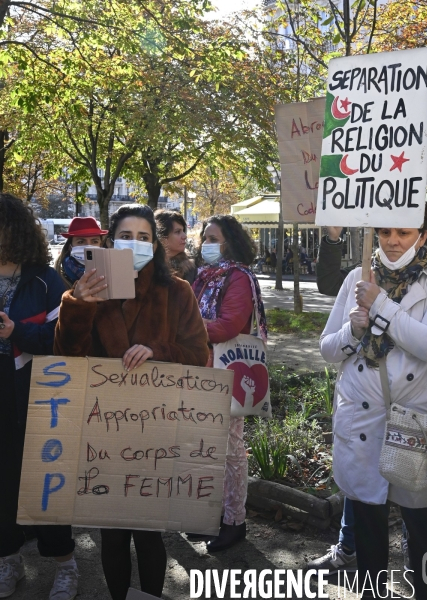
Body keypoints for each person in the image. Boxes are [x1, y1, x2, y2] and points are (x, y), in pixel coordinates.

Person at [54, 204, 209, 600]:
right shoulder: (89, 290)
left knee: (150, 532)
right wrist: (78, 305)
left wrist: (157, 350)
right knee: (112, 533)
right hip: (103, 430)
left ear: (153, 246)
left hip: (155, 428)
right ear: (110, 241)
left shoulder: (177, 291)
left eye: (144, 237)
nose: (134, 244)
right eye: (126, 236)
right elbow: (67, 359)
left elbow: (198, 353)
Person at [309, 203, 427, 574]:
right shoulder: (358, 275)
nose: (391, 241)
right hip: (363, 425)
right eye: (385, 232)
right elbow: (327, 349)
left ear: (423, 235)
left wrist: (380, 304)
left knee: (423, 532)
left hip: (416, 422)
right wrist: (353, 330)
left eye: (403, 232)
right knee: (368, 532)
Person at [0, 193, 78, 600]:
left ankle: (65, 563)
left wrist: (16, 332)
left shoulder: (46, 280)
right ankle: (8, 560)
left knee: (45, 481)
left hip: (37, 393)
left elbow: (58, 340)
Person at [192, 215, 267, 552]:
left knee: (230, 451)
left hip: (226, 375)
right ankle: (212, 517)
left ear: (231, 242)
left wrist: (186, 329)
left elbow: (227, 326)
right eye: (204, 238)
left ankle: (234, 521)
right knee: (209, 449)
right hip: (204, 369)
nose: (206, 245)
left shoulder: (238, 278)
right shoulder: (206, 276)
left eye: (214, 238)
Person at [54, 217, 108, 288]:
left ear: (100, 245)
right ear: (70, 247)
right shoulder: (55, 278)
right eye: (81, 242)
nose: (88, 246)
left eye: (95, 241)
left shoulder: (110, 272)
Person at [154, 209, 196, 283]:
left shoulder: (189, 270)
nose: (184, 236)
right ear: (162, 237)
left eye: (183, 231)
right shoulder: (149, 266)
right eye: (177, 232)